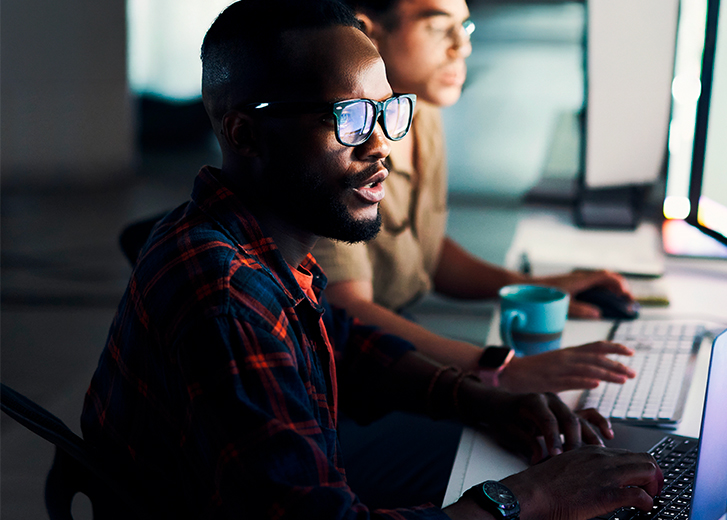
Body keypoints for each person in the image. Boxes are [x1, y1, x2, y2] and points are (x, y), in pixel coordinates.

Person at [81, 1, 663, 518]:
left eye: (387, 111)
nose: (381, 143)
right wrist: (531, 499)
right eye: (348, 118)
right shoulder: (228, 302)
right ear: (245, 134)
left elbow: (345, 342)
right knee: (515, 482)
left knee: (491, 452)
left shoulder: (263, 240)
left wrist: (484, 400)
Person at [311, 0, 638, 396]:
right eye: (437, 27)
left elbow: (423, 252)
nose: (461, 47)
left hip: (401, 352)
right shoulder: (341, 148)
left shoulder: (419, 111)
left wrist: (535, 287)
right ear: (368, 30)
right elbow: (349, 311)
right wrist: (497, 369)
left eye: (464, 29)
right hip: (349, 381)